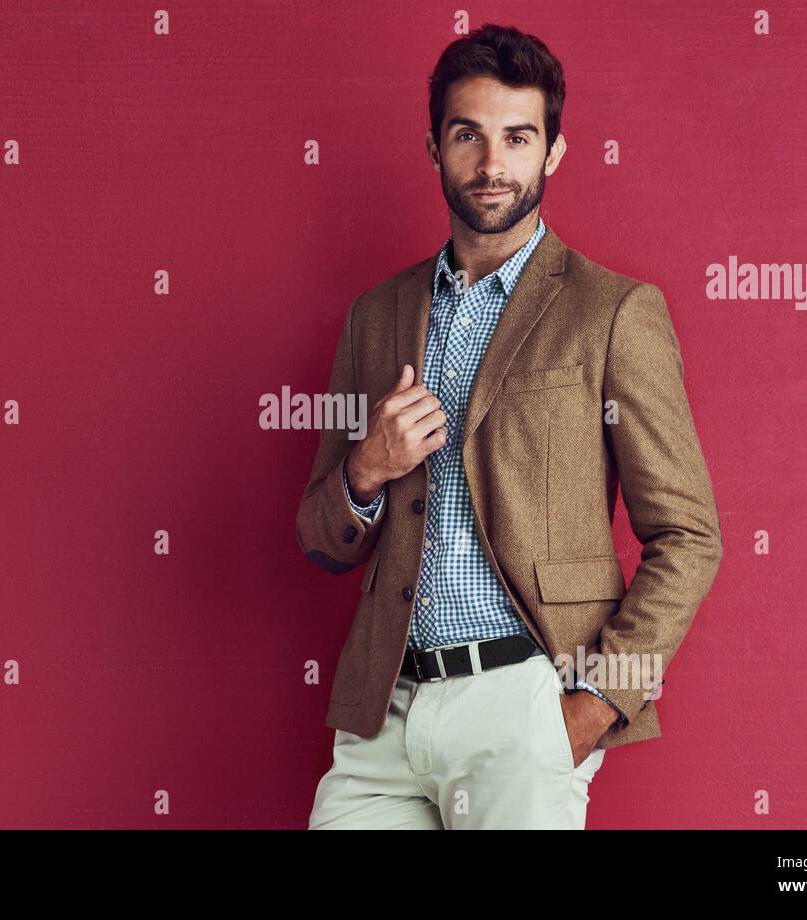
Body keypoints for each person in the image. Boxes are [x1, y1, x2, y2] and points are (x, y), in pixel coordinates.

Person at [297, 23, 723, 829]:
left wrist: (592, 708)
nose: (493, 165)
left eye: (518, 138)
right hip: (386, 711)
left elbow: (690, 535)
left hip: (524, 705)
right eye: (469, 136)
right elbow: (319, 539)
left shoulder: (612, 313)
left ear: (553, 153)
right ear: (434, 148)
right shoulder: (376, 317)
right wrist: (366, 471)